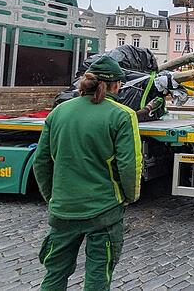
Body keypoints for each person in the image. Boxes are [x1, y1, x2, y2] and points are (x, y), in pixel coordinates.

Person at [34, 56, 142, 291]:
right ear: (115, 85)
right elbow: (129, 166)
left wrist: (54, 197)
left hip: (64, 210)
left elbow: (41, 162)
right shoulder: (123, 115)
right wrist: (129, 197)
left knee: (55, 272)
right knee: (98, 274)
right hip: (103, 211)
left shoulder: (59, 112)